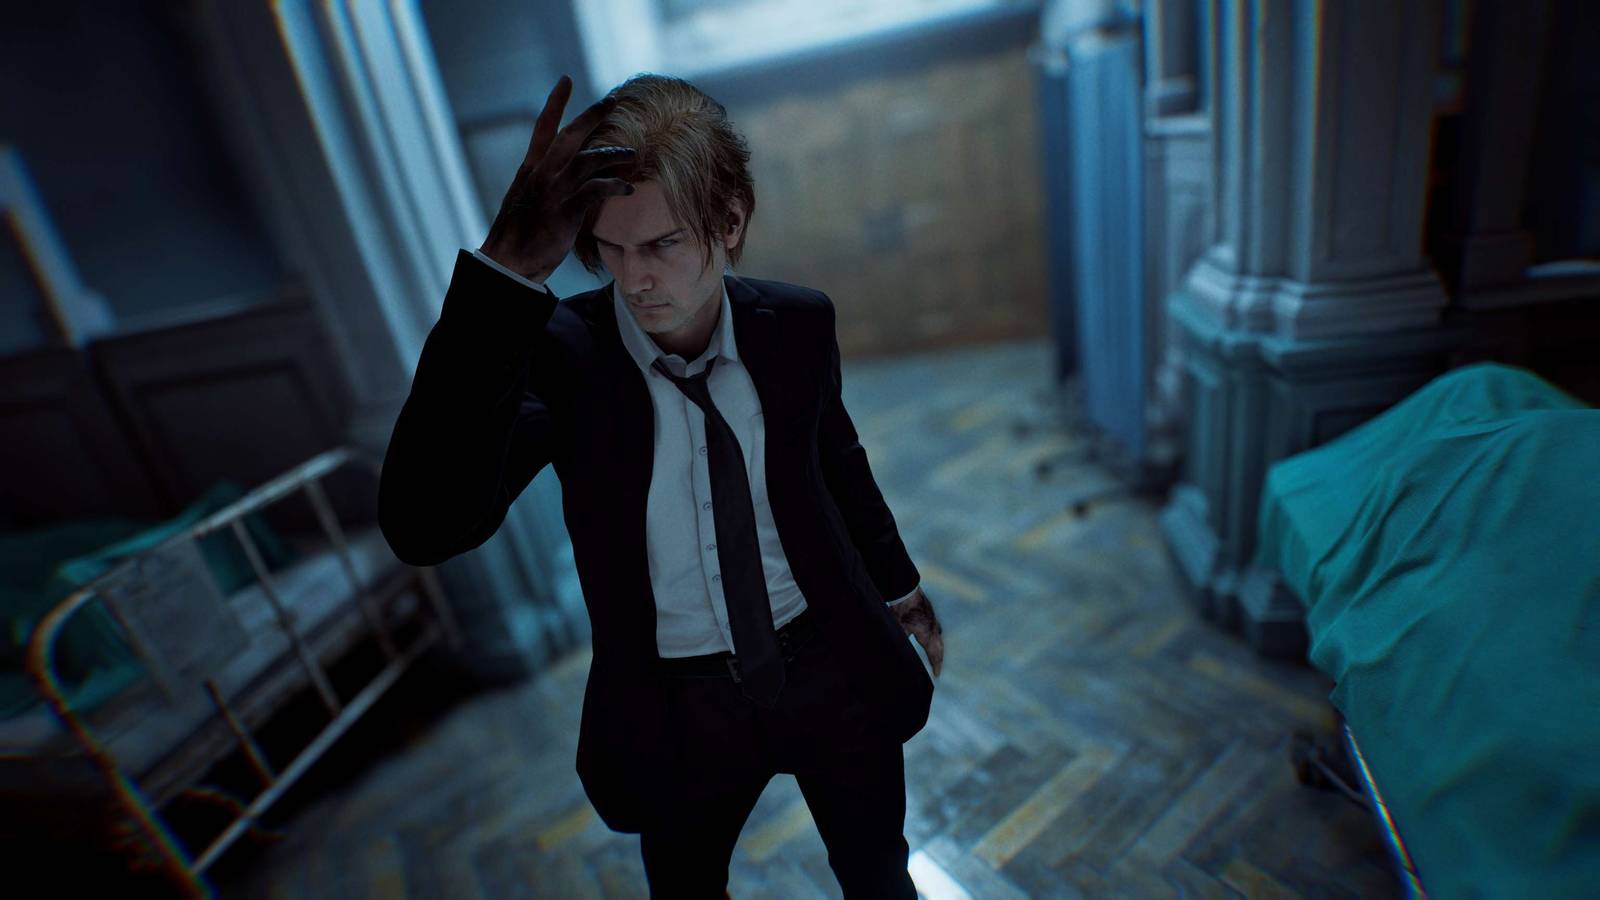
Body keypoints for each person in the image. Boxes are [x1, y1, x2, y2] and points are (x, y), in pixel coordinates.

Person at [378, 72, 945, 898]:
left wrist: (902, 587)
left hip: (827, 662)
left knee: (878, 875)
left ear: (730, 222)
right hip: (679, 704)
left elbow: (837, 461)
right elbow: (425, 525)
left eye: (661, 244)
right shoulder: (562, 356)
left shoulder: (797, 323)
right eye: (609, 248)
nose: (633, 277)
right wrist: (507, 269)